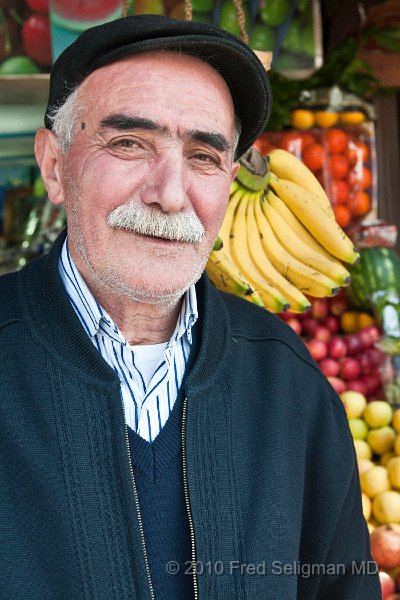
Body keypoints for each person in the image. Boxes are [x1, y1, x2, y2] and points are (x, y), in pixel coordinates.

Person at [0, 14, 380, 600]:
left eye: (204, 155)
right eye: (128, 143)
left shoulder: (287, 385)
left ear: (231, 180)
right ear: (55, 165)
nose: (171, 193)